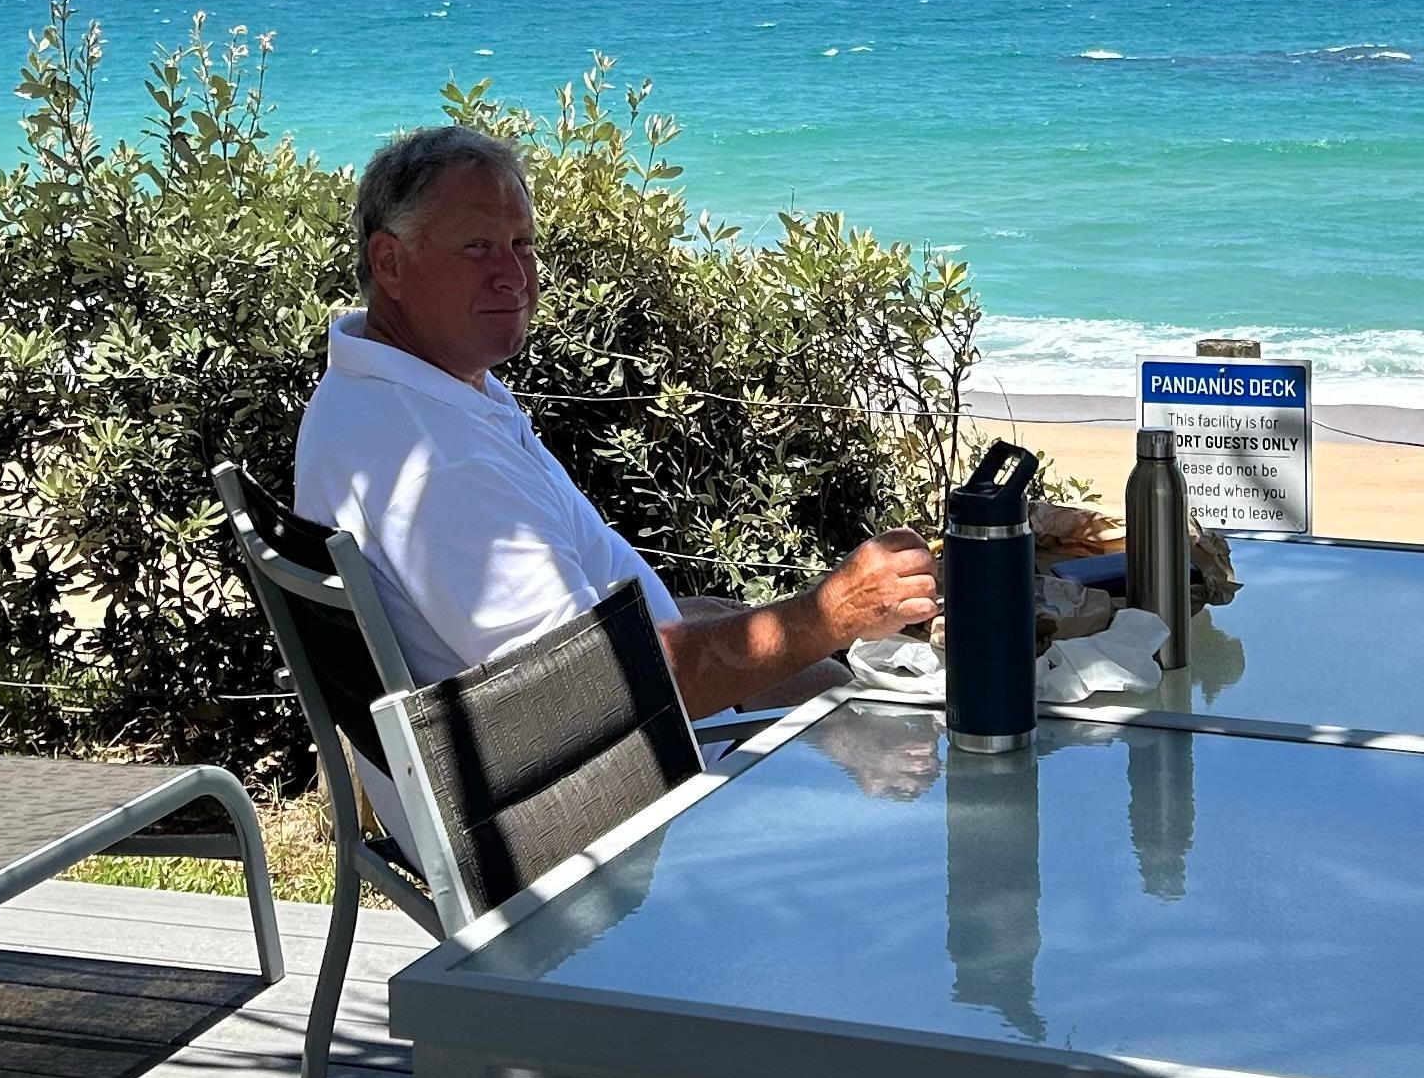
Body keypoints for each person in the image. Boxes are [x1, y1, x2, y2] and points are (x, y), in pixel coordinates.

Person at [294, 124, 940, 716]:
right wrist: (833, 612)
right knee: (903, 750)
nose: (513, 276)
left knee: (840, 691)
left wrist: (749, 625)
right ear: (390, 262)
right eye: (478, 248)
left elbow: (583, 633)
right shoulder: (434, 462)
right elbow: (606, 685)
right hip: (606, 805)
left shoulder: (386, 392)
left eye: (522, 244)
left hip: (568, 753)